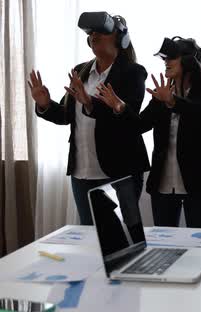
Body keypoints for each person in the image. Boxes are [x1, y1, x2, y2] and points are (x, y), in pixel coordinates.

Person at [28, 12, 149, 225]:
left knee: (120, 235)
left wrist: (91, 104)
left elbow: (131, 122)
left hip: (119, 170)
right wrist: (44, 104)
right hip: (82, 171)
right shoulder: (80, 71)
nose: (94, 35)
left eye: (101, 31)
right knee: (88, 236)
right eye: (91, 33)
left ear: (120, 39)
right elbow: (66, 115)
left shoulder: (133, 72)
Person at [139, 37, 201, 228]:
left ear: (188, 61)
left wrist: (173, 102)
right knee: (164, 247)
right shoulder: (161, 95)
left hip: (200, 183)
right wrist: (119, 107)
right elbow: (139, 126)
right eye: (164, 59)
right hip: (163, 183)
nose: (166, 62)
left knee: (199, 246)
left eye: (171, 58)